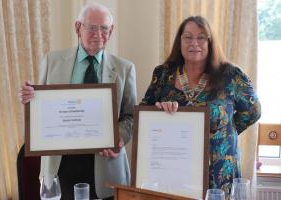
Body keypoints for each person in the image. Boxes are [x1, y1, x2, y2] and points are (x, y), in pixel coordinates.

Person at [20, 2, 136, 200]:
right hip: (61, 163)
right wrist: (30, 98)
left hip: (106, 164)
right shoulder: (52, 61)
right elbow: (42, 110)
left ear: (111, 31)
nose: (98, 33)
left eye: (104, 28)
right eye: (91, 27)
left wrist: (120, 138)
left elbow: (130, 116)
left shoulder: (125, 68)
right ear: (77, 27)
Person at [140, 16, 261, 198]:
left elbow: (253, 111)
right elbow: (144, 114)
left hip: (220, 173)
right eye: (188, 37)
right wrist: (159, 112)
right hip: (175, 169)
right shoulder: (163, 73)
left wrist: (226, 132)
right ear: (179, 41)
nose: (194, 43)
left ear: (210, 42)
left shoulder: (231, 75)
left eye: (201, 37)